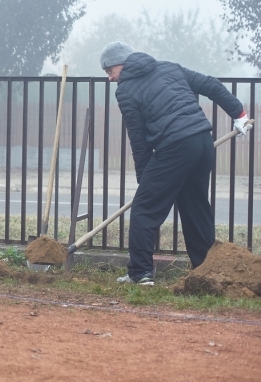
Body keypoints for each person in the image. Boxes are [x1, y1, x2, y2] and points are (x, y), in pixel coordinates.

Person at [100, 41, 251, 285]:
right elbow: (210, 84)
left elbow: (138, 139)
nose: (110, 78)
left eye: (109, 71)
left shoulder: (126, 90)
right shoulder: (169, 68)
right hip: (202, 142)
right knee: (195, 208)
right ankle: (205, 271)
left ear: (122, 64)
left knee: (143, 209)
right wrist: (239, 114)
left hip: (175, 147)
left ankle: (140, 273)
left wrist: (145, 180)